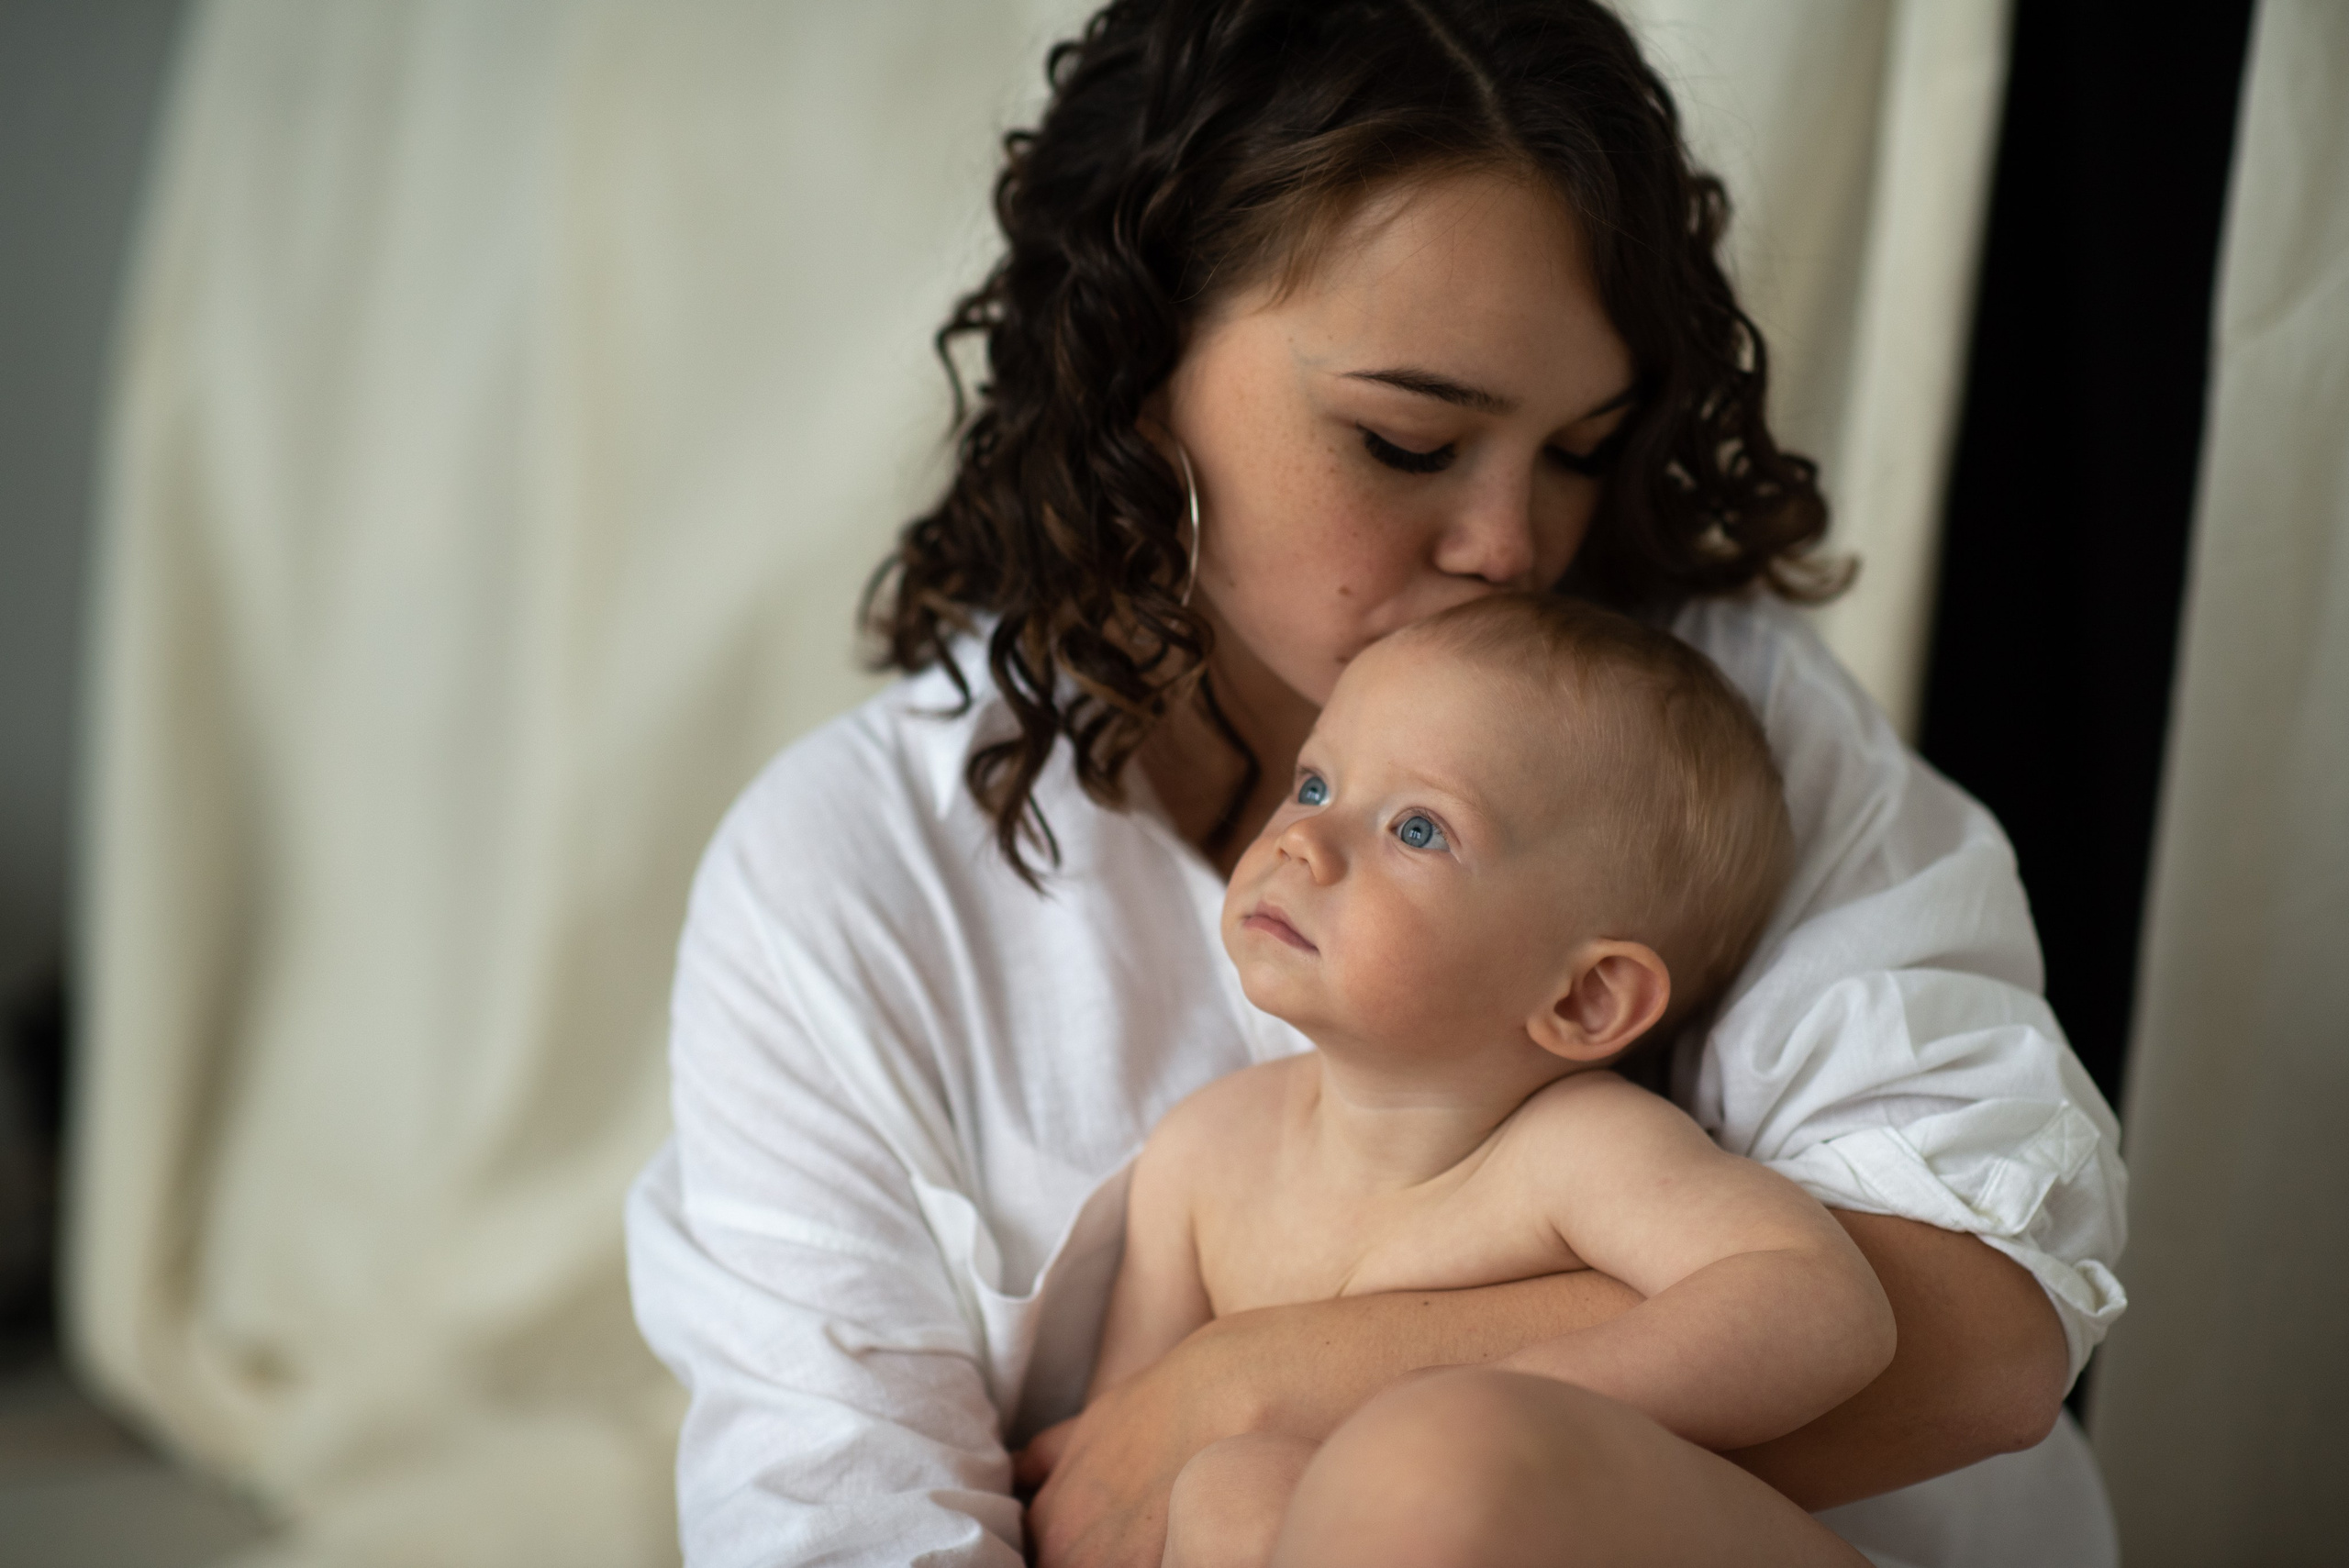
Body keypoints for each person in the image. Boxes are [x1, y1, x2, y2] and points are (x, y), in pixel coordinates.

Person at [624, 3, 2128, 1565]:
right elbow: (837, 1503)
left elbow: (1981, 1326)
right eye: (1408, 442)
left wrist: (1257, 1381)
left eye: (1578, 449)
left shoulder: (1712, 733)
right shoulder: (857, 871)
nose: (1511, 547)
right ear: (1136, 371)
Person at [1095, 594, 1893, 1568]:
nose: (1304, 838)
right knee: (1226, 1488)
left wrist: (1520, 1398)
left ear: (1586, 997)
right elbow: (1117, 1469)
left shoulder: (1575, 1150)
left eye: (1417, 829)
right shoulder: (1202, 1154)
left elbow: (1823, 1301)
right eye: (1314, 783)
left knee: (1382, 1464)